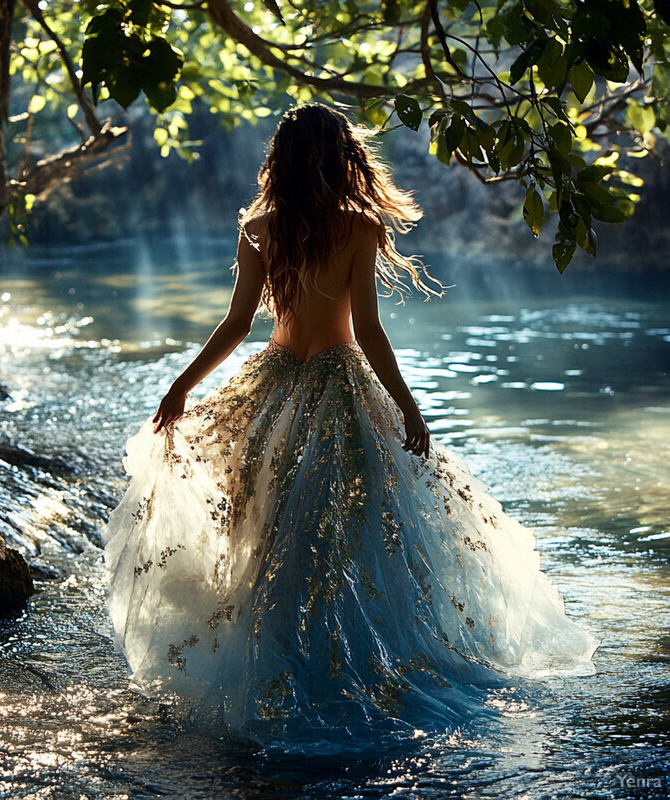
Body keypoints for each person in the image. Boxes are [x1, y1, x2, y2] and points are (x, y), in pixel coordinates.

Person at [102, 103, 600, 751]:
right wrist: (409, 408)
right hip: (340, 390)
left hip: (274, 385)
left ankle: (271, 658)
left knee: (268, 531)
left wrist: (181, 386)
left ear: (277, 161)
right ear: (345, 159)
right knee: (348, 535)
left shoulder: (260, 227)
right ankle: (347, 661)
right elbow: (368, 331)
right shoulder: (358, 227)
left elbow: (236, 325)